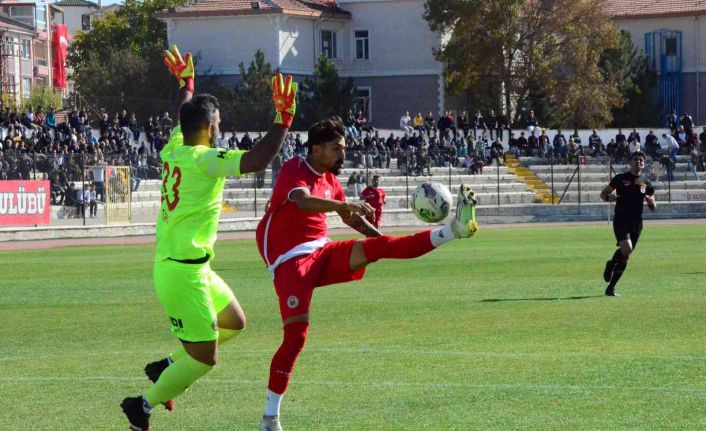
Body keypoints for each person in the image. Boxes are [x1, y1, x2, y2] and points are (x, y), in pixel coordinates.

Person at [254, 116, 479, 431]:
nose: (342, 154)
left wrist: (381, 242)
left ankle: (453, 230)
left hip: (321, 251)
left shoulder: (331, 180)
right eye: (336, 148)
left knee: (380, 246)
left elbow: (352, 220)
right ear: (316, 149)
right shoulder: (296, 168)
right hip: (290, 261)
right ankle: (270, 418)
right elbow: (302, 202)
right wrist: (346, 207)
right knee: (296, 337)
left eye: (343, 147)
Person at [120, 45, 298, 431]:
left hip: (192, 267)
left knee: (234, 322)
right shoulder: (205, 159)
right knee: (205, 358)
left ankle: (166, 367)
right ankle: (142, 406)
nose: (220, 125)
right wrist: (283, 120)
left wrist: (188, 83)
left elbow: (185, 109)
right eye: (217, 121)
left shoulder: (174, 147)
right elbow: (254, 161)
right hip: (181, 273)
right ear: (210, 126)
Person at [600, 151, 656, 296]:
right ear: (630, 162)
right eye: (636, 159)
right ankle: (611, 264)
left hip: (636, 223)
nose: (638, 162)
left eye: (641, 160)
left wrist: (651, 202)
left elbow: (653, 206)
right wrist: (609, 198)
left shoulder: (647, 183)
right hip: (621, 219)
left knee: (625, 255)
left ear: (644, 163)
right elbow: (603, 194)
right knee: (627, 249)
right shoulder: (620, 178)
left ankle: (611, 287)